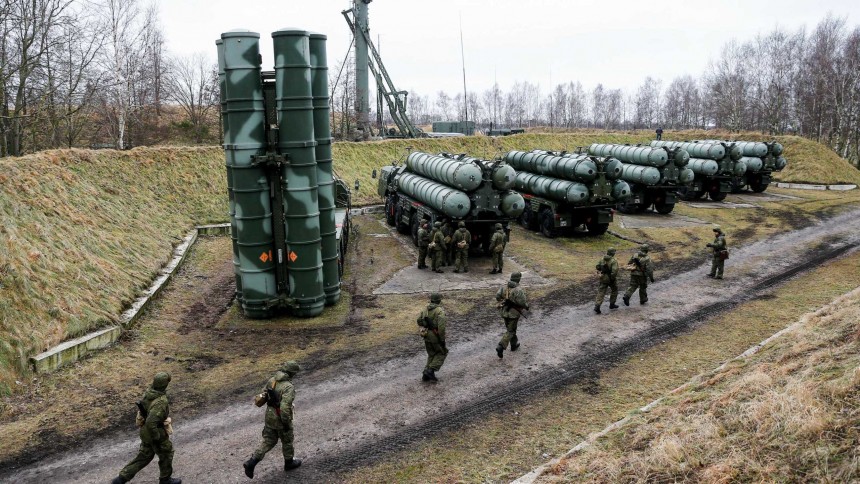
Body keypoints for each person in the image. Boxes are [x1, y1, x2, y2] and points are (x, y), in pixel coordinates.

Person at [112, 372, 181, 484]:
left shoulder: (149, 393)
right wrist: (157, 437)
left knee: (144, 457)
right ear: (165, 384)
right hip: (154, 432)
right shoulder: (160, 401)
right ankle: (165, 480)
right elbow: (151, 422)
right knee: (166, 454)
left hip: (145, 432)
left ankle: (120, 479)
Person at [243, 361, 302, 478]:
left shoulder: (272, 380)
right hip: (280, 418)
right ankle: (289, 462)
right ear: (292, 373)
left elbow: (263, 394)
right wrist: (286, 423)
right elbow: (285, 408)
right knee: (287, 441)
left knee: (269, 440)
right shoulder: (288, 387)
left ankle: (252, 462)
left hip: (270, 417)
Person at [495, 272, 529, 358]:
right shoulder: (519, 290)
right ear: (518, 279)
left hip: (504, 311)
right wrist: (526, 306)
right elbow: (522, 303)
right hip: (513, 313)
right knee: (511, 331)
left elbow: (497, 297)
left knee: (510, 329)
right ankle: (501, 346)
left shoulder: (504, 286)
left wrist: (504, 300)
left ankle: (514, 345)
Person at [417, 293, 448, 382]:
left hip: (426, 334)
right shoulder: (439, 311)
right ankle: (430, 371)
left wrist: (425, 324)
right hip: (435, 335)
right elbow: (441, 328)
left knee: (431, 354)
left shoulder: (425, 309)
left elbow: (419, 320)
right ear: (439, 300)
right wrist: (442, 339)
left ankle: (425, 375)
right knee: (442, 353)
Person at [594, 247, 619, 314]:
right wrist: (612, 278)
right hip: (610, 279)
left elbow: (597, 266)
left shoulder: (602, 258)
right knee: (614, 290)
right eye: (614, 252)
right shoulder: (613, 261)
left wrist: (602, 270)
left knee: (601, 291)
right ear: (612, 253)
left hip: (602, 278)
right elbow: (614, 271)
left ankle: (597, 305)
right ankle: (612, 304)